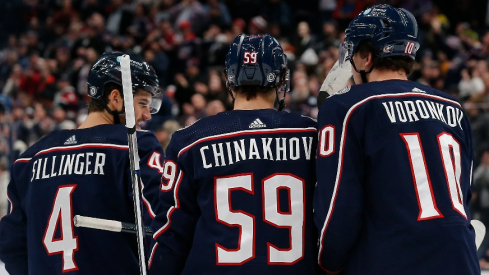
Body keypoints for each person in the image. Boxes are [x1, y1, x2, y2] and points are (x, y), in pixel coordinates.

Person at [314, 4, 480, 275]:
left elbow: (339, 214)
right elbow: (463, 196)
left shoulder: (348, 107)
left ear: (366, 57)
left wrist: (327, 262)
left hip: (393, 260)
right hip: (461, 261)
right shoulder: (453, 107)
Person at [148, 34, 318, 274]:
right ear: (280, 79)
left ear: (229, 80)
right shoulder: (312, 133)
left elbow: (171, 232)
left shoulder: (190, 140)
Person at [0, 52, 165, 274]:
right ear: (116, 98)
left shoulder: (30, 159)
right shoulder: (135, 145)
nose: (148, 114)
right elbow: (165, 223)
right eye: (143, 103)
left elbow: (12, 246)